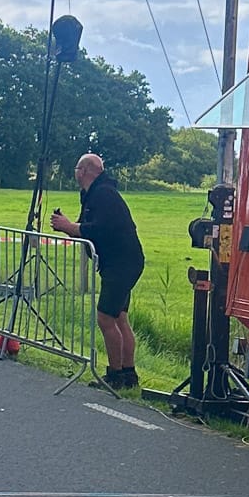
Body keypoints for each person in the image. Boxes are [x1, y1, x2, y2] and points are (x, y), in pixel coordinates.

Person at [50, 154, 145, 390]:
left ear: (84, 171)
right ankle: (128, 374)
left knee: (105, 317)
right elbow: (86, 229)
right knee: (120, 317)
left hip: (120, 262)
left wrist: (71, 226)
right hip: (122, 260)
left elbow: (101, 229)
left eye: (76, 168)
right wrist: (68, 226)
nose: (75, 173)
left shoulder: (104, 194)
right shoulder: (93, 194)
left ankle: (115, 375)